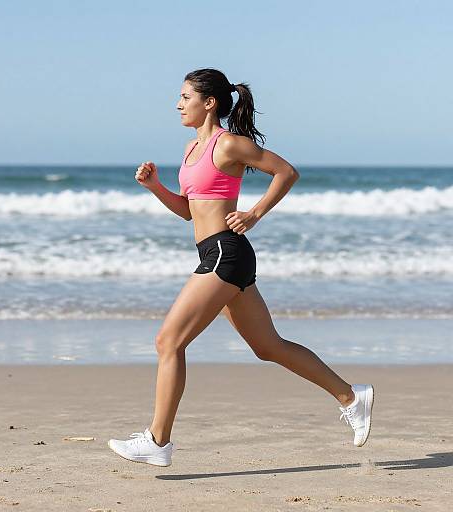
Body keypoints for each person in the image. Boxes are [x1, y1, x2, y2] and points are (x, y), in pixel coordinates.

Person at [108, 68, 374, 467]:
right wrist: (155, 188)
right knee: (268, 347)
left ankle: (158, 441)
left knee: (169, 342)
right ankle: (352, 397)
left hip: (225, 254)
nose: (178, 104)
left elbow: (286, 172)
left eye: (185, 97)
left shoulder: (229, 144)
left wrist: (254, 213)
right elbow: (189, 211)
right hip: (215, 253)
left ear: (209, 102)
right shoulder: (189, 149)